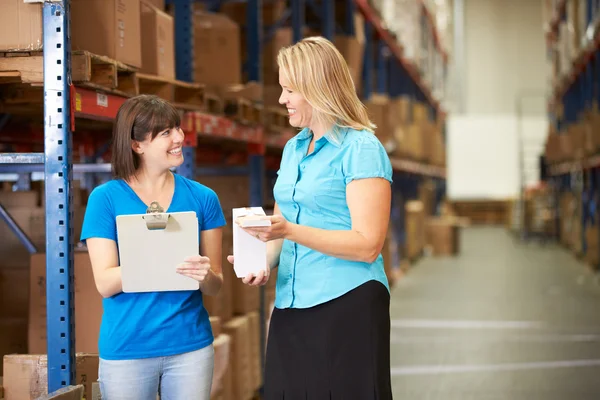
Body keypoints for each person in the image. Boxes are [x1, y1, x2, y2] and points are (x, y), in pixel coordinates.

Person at [228, 36, 394, 399]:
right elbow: (280, 225)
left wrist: (290, 230)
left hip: (348, 299)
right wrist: (261, 259)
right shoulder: (293, 148)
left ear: (317, 89)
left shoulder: (362, 149)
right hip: (291, 301)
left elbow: (367, 245)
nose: (281, 99)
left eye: (290, 90)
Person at [80, 95, 226, 400]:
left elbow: (215, 285)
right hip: (127, 349)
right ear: (137, 145)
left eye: (177, 128)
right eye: (165, 133)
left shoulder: (204, 198)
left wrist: (204, 275)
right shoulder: (105, 199)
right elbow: (106, 283)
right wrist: (160, 258)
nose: (179, 138)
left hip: (190, 347)